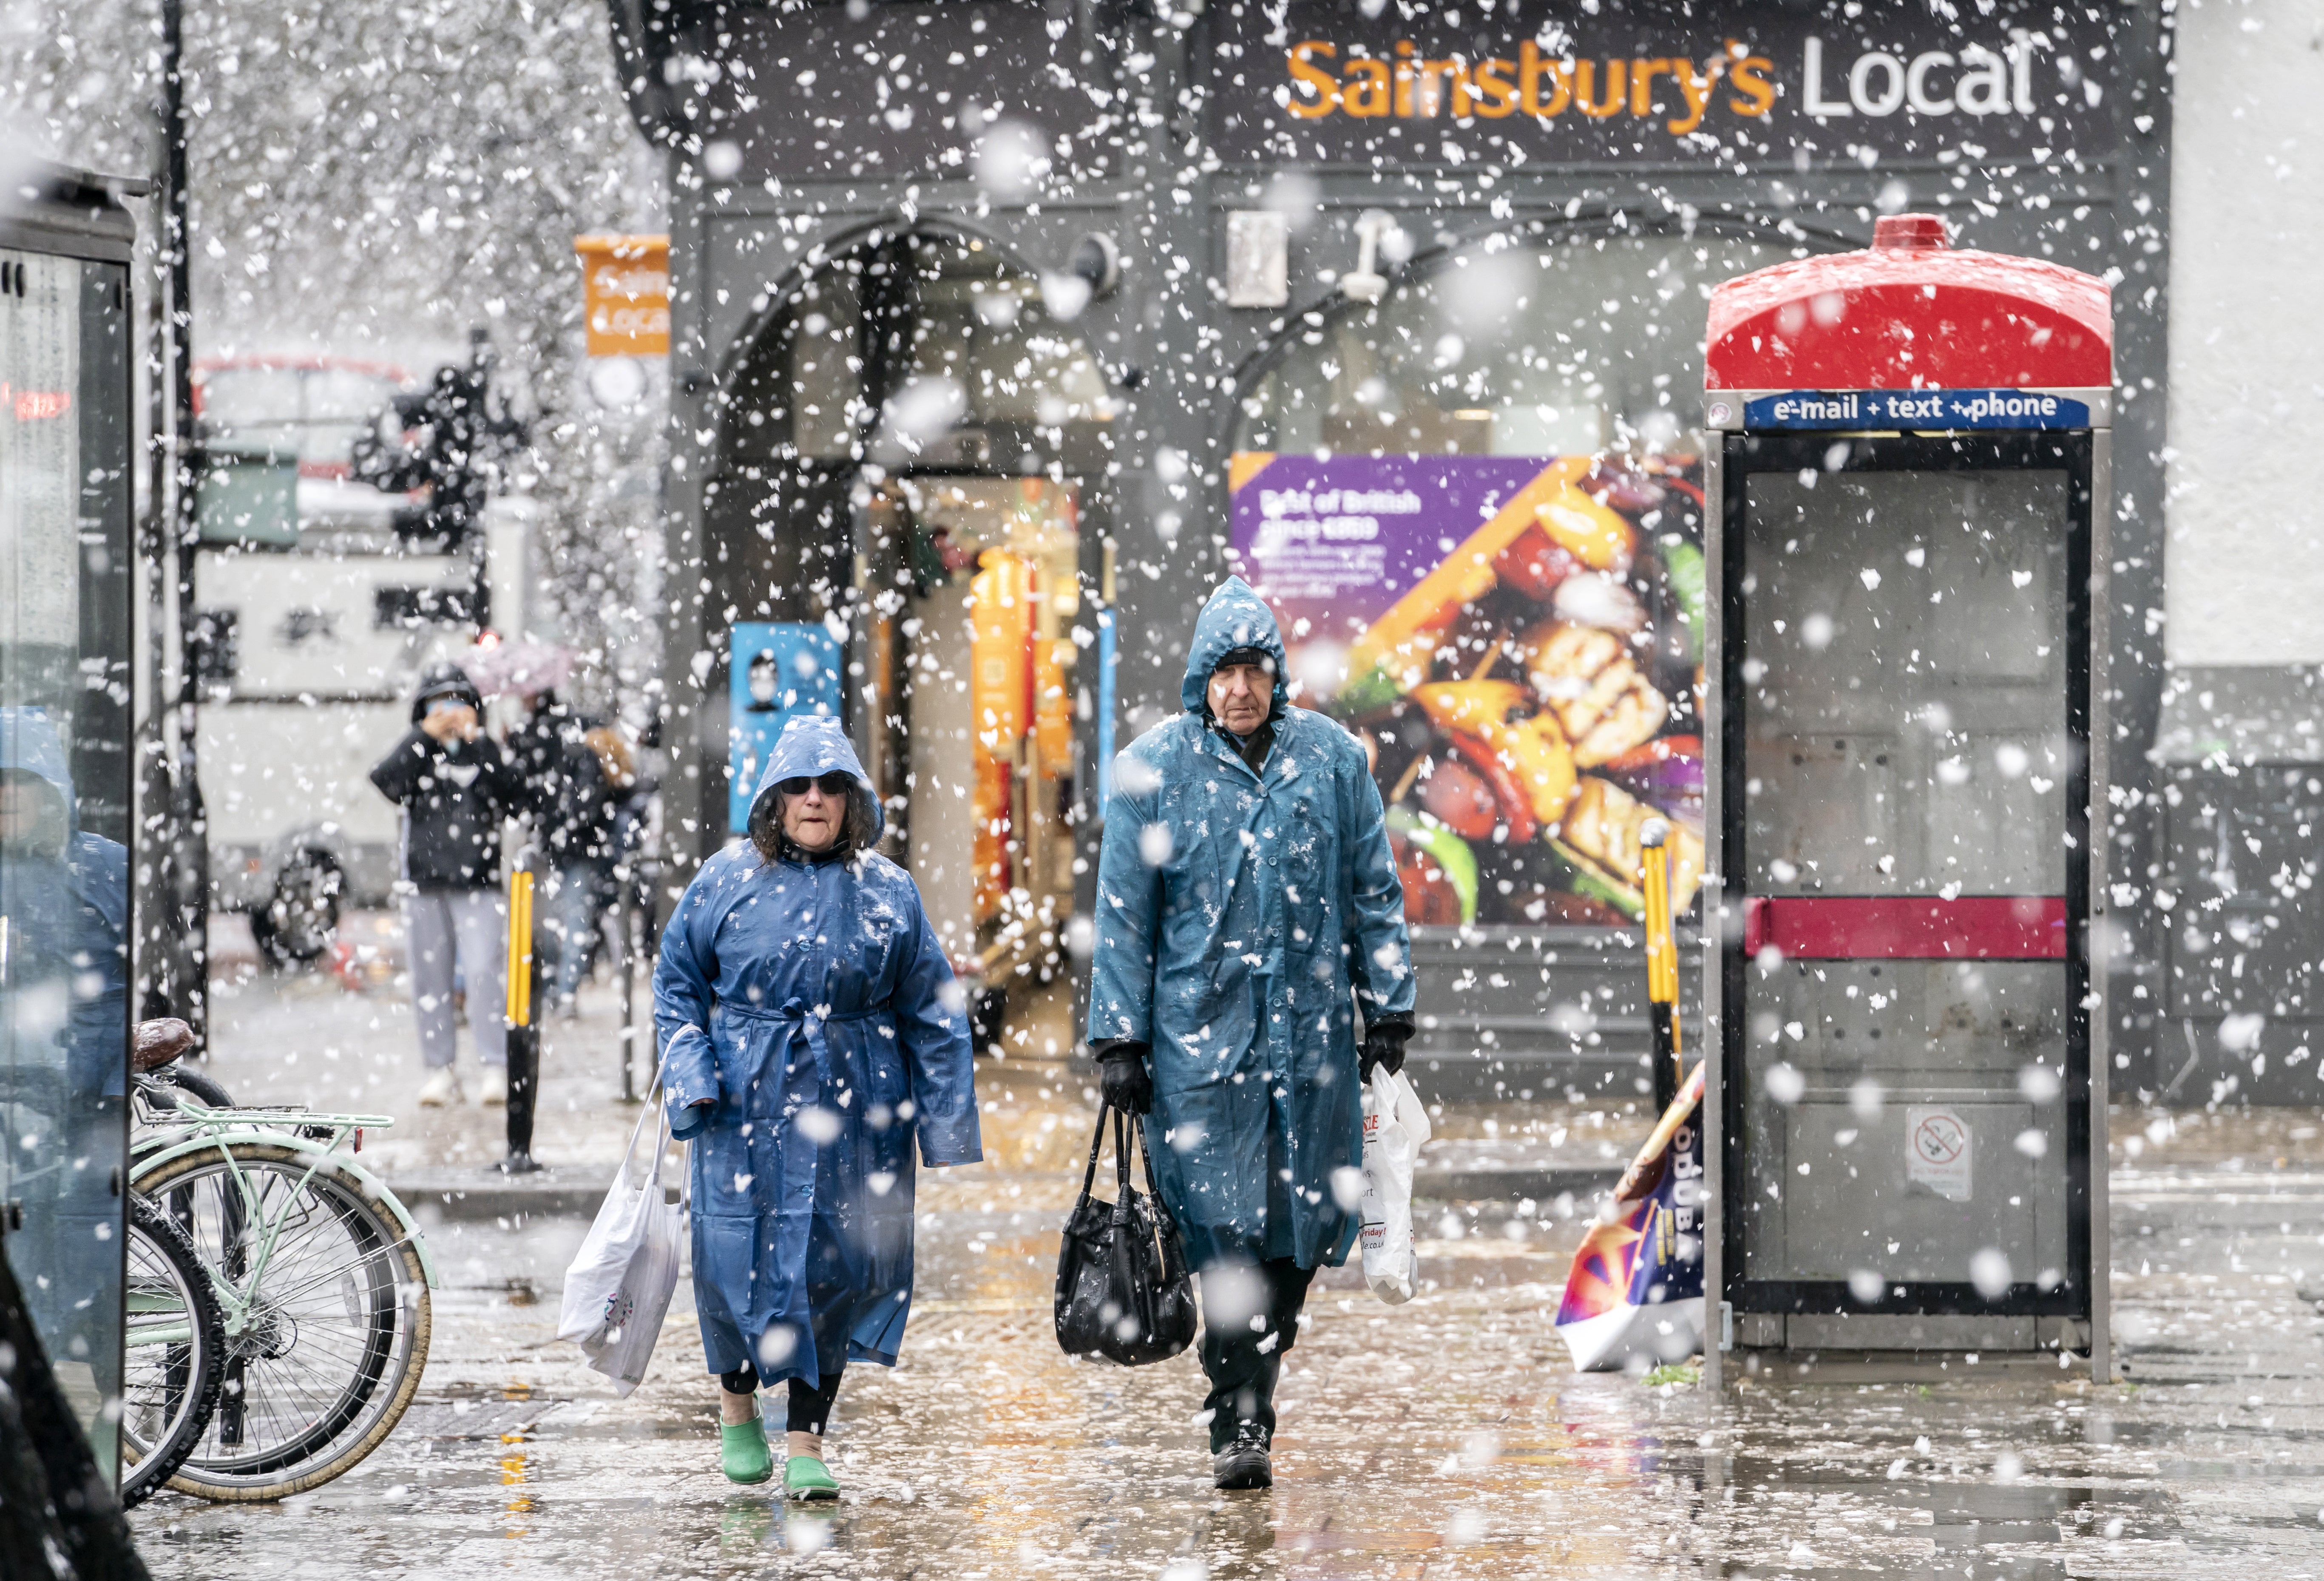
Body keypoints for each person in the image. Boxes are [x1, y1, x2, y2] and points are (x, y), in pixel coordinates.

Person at [1085, 576, 1416, 1492]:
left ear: (1277, 675)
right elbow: (1124, 916)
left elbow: (1372, 890)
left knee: (1296, 1237)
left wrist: (1385, 1003)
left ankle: (1254, 1380)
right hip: (1199, 1050)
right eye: (1224, 670)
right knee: (1219, 1232)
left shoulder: (1333, 762)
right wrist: (1119, 1038)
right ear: (1202, 678)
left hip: (1307, 1048)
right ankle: (1239, 1412)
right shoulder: (1152, 767)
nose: (1241, 687)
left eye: (1255, 668)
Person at [654, 715, 980, 1502]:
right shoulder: (723, 880)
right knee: (732, 1260)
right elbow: (676, 986)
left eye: (830, 785)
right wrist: (695, 1074)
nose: (813, 799)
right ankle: (736, 1406)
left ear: (852, 800)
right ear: (772, 798)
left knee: (833, 1266)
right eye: (798, 785)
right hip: (742, 1101)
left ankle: (807, 1439)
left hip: (856, 1103)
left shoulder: (888, 889)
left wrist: (943, 1122)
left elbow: (932, 1010)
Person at [370, 663, 522, 1106]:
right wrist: (423, 736)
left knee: (483, 974)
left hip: (479, 882)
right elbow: (386, 782)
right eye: (440, 703)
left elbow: (516, 794)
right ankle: (440, 1069)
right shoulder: (418, 753)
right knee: (430, 980)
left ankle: (494, 1065)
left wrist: (482, 742)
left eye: (459, 702)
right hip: (425, 882)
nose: (451, 712)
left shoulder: (483, 752)